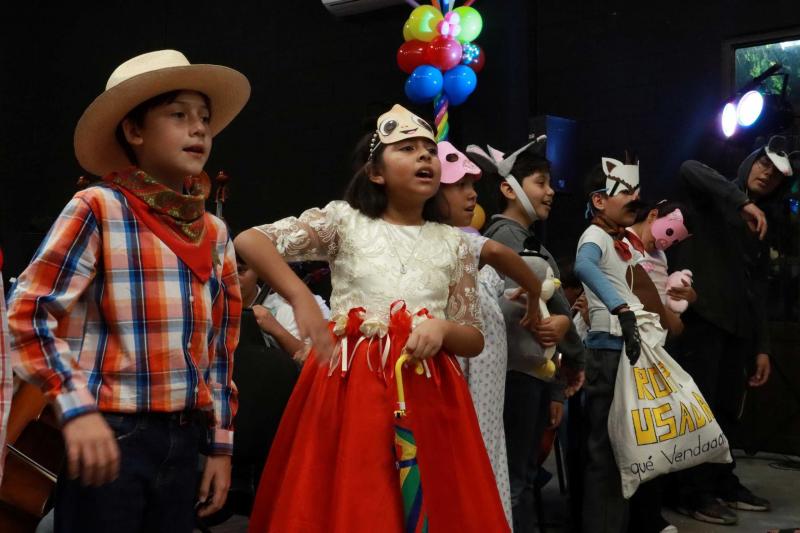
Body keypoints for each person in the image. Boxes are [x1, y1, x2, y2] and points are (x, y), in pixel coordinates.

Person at [7, 49, 249, 532]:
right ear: (134, 131)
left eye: (204, 117)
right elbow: (26, 312)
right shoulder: (98, 207)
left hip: (183, 436)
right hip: (111, 430)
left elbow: (220, 348)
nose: (199, 129)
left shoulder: (215, 232)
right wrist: (75, 407)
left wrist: (220, 447)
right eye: (178, 115)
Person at [236, 104, 509, 532]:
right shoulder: (345, 223)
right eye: (407, 149)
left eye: (429, 150)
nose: (424, 156)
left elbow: (473, 337)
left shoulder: (454, 244)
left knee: (431, 499)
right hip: (350, 389)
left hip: (427, 391)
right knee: (358, 493)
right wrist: (299, 296)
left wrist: (441, 328)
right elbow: (250, 241)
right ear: (376, 173)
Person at [668, 136, 798, 525]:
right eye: (763, 164)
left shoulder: (764, 223)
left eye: (776, 175)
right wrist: (741, 202)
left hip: (736, 329)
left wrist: (762, 346)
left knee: (726, 411)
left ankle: (720, 481)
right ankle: (691, 492)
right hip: (702, 321)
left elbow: (758, 289)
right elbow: (688, 167)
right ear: (750, 162)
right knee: (699, 410)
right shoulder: (716, 195)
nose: (767, 175)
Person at [469, 138, 586, 533]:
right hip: (514, 376)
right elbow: (520, 316)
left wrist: (555, 384)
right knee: (514, 478)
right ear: (509, 188)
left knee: (523, 473)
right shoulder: (504, 240)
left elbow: (550, 314)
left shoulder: (526, 239)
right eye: (540, 182)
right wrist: (570, 340)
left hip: (532, 373)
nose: (550, 191)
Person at [438, 140, 543, 526]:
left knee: (487, 453)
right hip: (462, 381)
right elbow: (501, 255)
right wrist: (533, 290)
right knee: (468, 460)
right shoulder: (447, 241)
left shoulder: (462, 243)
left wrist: (524, 297)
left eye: (471, 185)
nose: (471, 194)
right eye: (458, 186)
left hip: (487, 389)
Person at [574, 156, 647, 533]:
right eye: (626, 191)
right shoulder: (596, 236)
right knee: (606, 450)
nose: (635, 198)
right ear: (599, 200)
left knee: (623, 450)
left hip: (625, 348)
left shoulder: (621, 240)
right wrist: (619, 307)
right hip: (608, 350)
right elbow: (583, 267)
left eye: (637, 191)